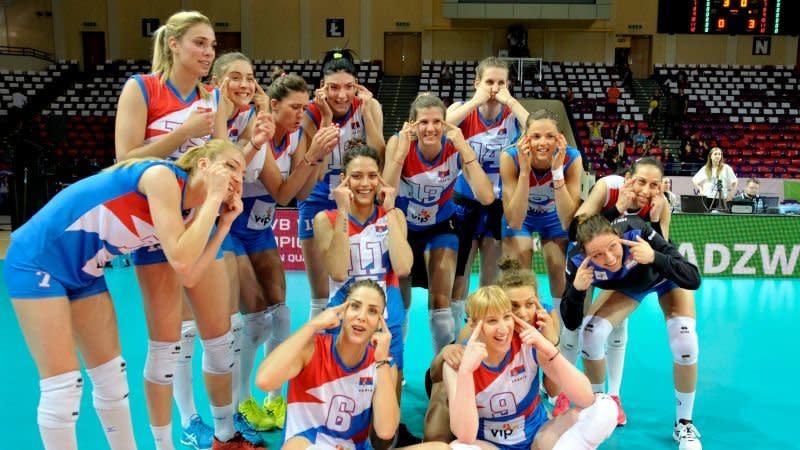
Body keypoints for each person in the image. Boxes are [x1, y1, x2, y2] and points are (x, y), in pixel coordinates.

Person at [3, 140, 245, 450]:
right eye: (230, 166)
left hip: (86, 271)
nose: (237, 178)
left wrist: (223, 224)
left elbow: (188, 274)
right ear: (202, 165)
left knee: (112, 378)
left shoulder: (190, 211)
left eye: (242, 172)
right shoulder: (162, 177)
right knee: (63, 388)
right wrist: (213, 198)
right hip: (36, 259)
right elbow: (181, 259)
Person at [114, 11, 261, 449]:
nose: (207, 52)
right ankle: (180, 426)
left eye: (212, 46)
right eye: (200, 43)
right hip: (154, 226)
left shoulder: (211, 97)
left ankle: (224, 431)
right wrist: (184, 132)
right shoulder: (141, 89)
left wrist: (237, 159)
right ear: (173, 44)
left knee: (219, 336)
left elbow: (220, 153)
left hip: (202, 223)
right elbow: (123, 161)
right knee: (171, 340)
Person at [562, 214, 703, 450]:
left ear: (618, 237)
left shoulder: (636, 231)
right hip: (628, 289)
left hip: (665, 279)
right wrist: (577, 290)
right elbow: (571, 321)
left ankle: (684, 424)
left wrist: (654, 257)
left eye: (612, 247)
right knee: (591, 334)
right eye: (597, 255)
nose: (608, 258)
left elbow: (692, 278)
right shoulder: (577, 261)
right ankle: (599, 411)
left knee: (685, 340)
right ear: (586, 255)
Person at [254, 280, 448, 450]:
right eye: (355, 306)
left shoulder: (383, 363)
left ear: (380, 323)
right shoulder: (311, 349)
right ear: (342, 311)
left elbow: (386, 431)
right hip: (305, 446)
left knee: (441, 448)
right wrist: (312, 326)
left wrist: (381, 362)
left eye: (372, 311)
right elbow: (264, 381)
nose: (362, 316)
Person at [383, 93, 494, 353]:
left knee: (440, 306)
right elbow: (384, 193)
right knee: (400, 305)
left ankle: (442, 372)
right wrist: (399, 154)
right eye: (423, 122)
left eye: (436, 122)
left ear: (446, 124)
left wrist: (465, 148)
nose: (430, 128)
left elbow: (487, 196)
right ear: (412, 124)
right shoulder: (399, 143)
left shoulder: (455, 147)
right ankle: (396, 369)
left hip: (441, 227)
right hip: (404, 229)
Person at [444, 286, 618, 450]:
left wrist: (549, 349)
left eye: (506, 317)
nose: (503, 329)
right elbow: (465, 436)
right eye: (491, 321)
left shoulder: (528, 343)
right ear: (474, 325)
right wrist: (466, 372)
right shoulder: (458, 362)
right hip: (492, 445)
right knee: (458, 447)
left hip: (539, 438)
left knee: (604, 407)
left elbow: (586, 398)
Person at [565, 156, 671, 422]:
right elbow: (575, 231)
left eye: (654, 185)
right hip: (589, 260)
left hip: (624, 266)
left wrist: (656, 220)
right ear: (627, 179)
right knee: (572, 323)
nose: (646, 191)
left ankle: (613, 395)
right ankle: (569, 391)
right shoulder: (607, 187)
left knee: (616, 326)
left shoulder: (660, 205)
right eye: (640, 182)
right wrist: (615, 210)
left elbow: (661, 252)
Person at [422, 257, 560, 443]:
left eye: (530, 304)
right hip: (463, 378)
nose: (523, 314)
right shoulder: (479, 326)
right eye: (513, 306)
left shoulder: (544, 320)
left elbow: (553, 390)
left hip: (507, 387)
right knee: (442, 400)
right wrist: (446, 351)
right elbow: (436, 375)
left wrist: (552, 344)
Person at [499, 109, 583, 402]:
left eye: (549, 135)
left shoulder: (572, 158)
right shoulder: (509, 157)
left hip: (553, 219)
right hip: (520, 216)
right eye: (535, 136)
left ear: (559, 137)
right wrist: (524, 171)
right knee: (518, 266)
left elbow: (567, 217)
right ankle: (515, 340)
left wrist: (557, 171)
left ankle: (557, 344)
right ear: (525, 138)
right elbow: (514, 218)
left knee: (557, 264)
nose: (542, 142)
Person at [299, 49, 385, 321]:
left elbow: (379, 156)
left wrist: (367, 111)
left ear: (357, 86)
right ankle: (317, 356)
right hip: (316, 197)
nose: (341, 95)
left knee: (356, 282)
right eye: (333, 88)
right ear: (322, 88)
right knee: (320, 294)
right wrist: (325, 119)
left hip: (358, 200)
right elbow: (318, 165)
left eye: (349, 87)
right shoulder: (310, 113)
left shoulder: (369, 106)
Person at [445, 56, 528, 338]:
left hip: (498, 206)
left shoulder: (512, 116)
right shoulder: (462, 110)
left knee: (490, 279)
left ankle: (484, 337)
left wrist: (511, 102)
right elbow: (440, 126)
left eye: (501, 82)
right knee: (459, 277)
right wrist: (474, 101)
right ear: (477, 83)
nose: (494, 88)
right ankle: (459, 340)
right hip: (464, 203)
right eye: (489, 82)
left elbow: (538, 128)